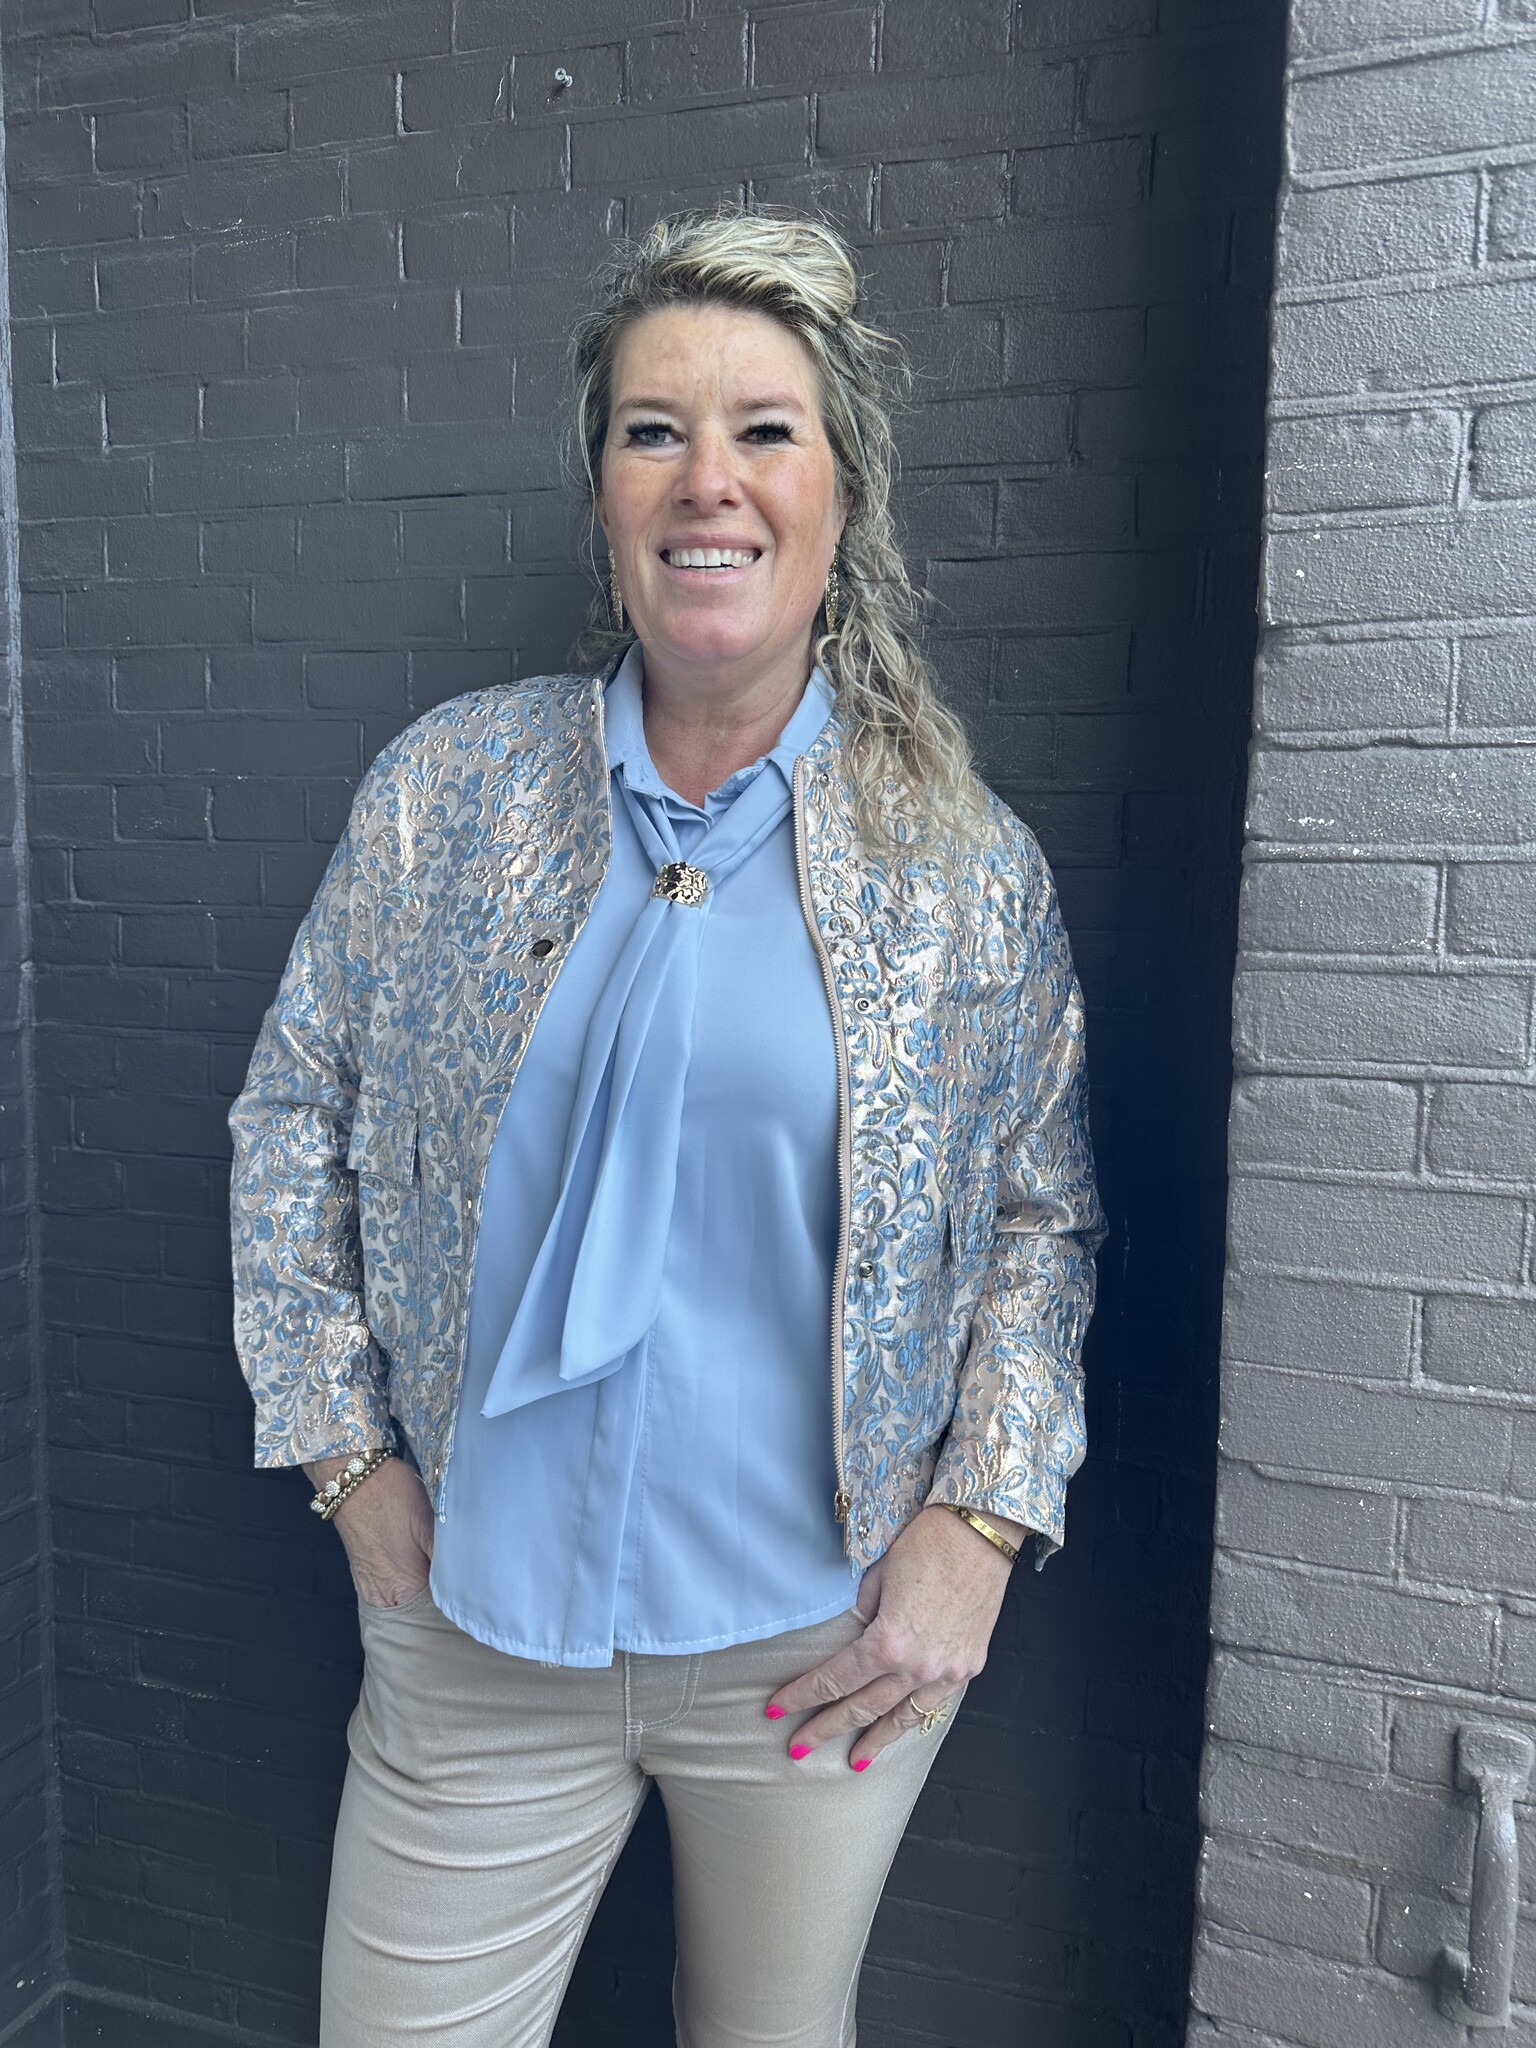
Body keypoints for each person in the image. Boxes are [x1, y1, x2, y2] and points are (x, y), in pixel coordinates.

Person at [228, 206, 1104, 2048]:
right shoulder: (447, 793)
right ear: (608, 495)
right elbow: (294, 1109)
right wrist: (341, 1457)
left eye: (764, 430)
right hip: (473, 1625)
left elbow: (1044, 1219)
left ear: (841, 493)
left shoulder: (962, 871)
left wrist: (983, 1520)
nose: (710, 480)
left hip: (815, 1649)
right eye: (654, 432)